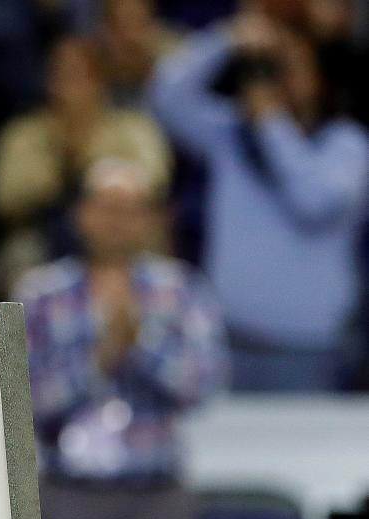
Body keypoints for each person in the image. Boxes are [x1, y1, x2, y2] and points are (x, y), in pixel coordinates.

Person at [15, 159, 228, 519]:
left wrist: (142, 346)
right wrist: (98, 360)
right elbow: (20, 396)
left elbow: (203, 383)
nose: (116, 220)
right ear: (82, 214)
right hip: (70, 494)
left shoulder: (179, 289)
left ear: (150, 219)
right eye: (105, 206)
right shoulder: (41, 294)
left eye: (130, 208)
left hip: (156, 492)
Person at [149, 11, 369, 392]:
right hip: (227, 342)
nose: (280, 81)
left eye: (292, 67)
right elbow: (164, 97)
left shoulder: (347, 144)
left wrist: (270, 123)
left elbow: (314, 202)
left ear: (319, 78)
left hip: (310, 350)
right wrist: (227, 39)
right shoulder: (230, 134)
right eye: (272, 67)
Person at [0, 35, 170, 295]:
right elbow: (5, 197)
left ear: (102, 80)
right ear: (48, 80)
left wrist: (91, 158)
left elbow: (154, 180)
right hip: (43, 235)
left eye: (84, 74)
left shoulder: (132, 127)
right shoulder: (25, 132)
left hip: (118, 231)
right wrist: (60, 162)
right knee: (18, 254)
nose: (73, 86)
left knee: (153, 239)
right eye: (63, 75)